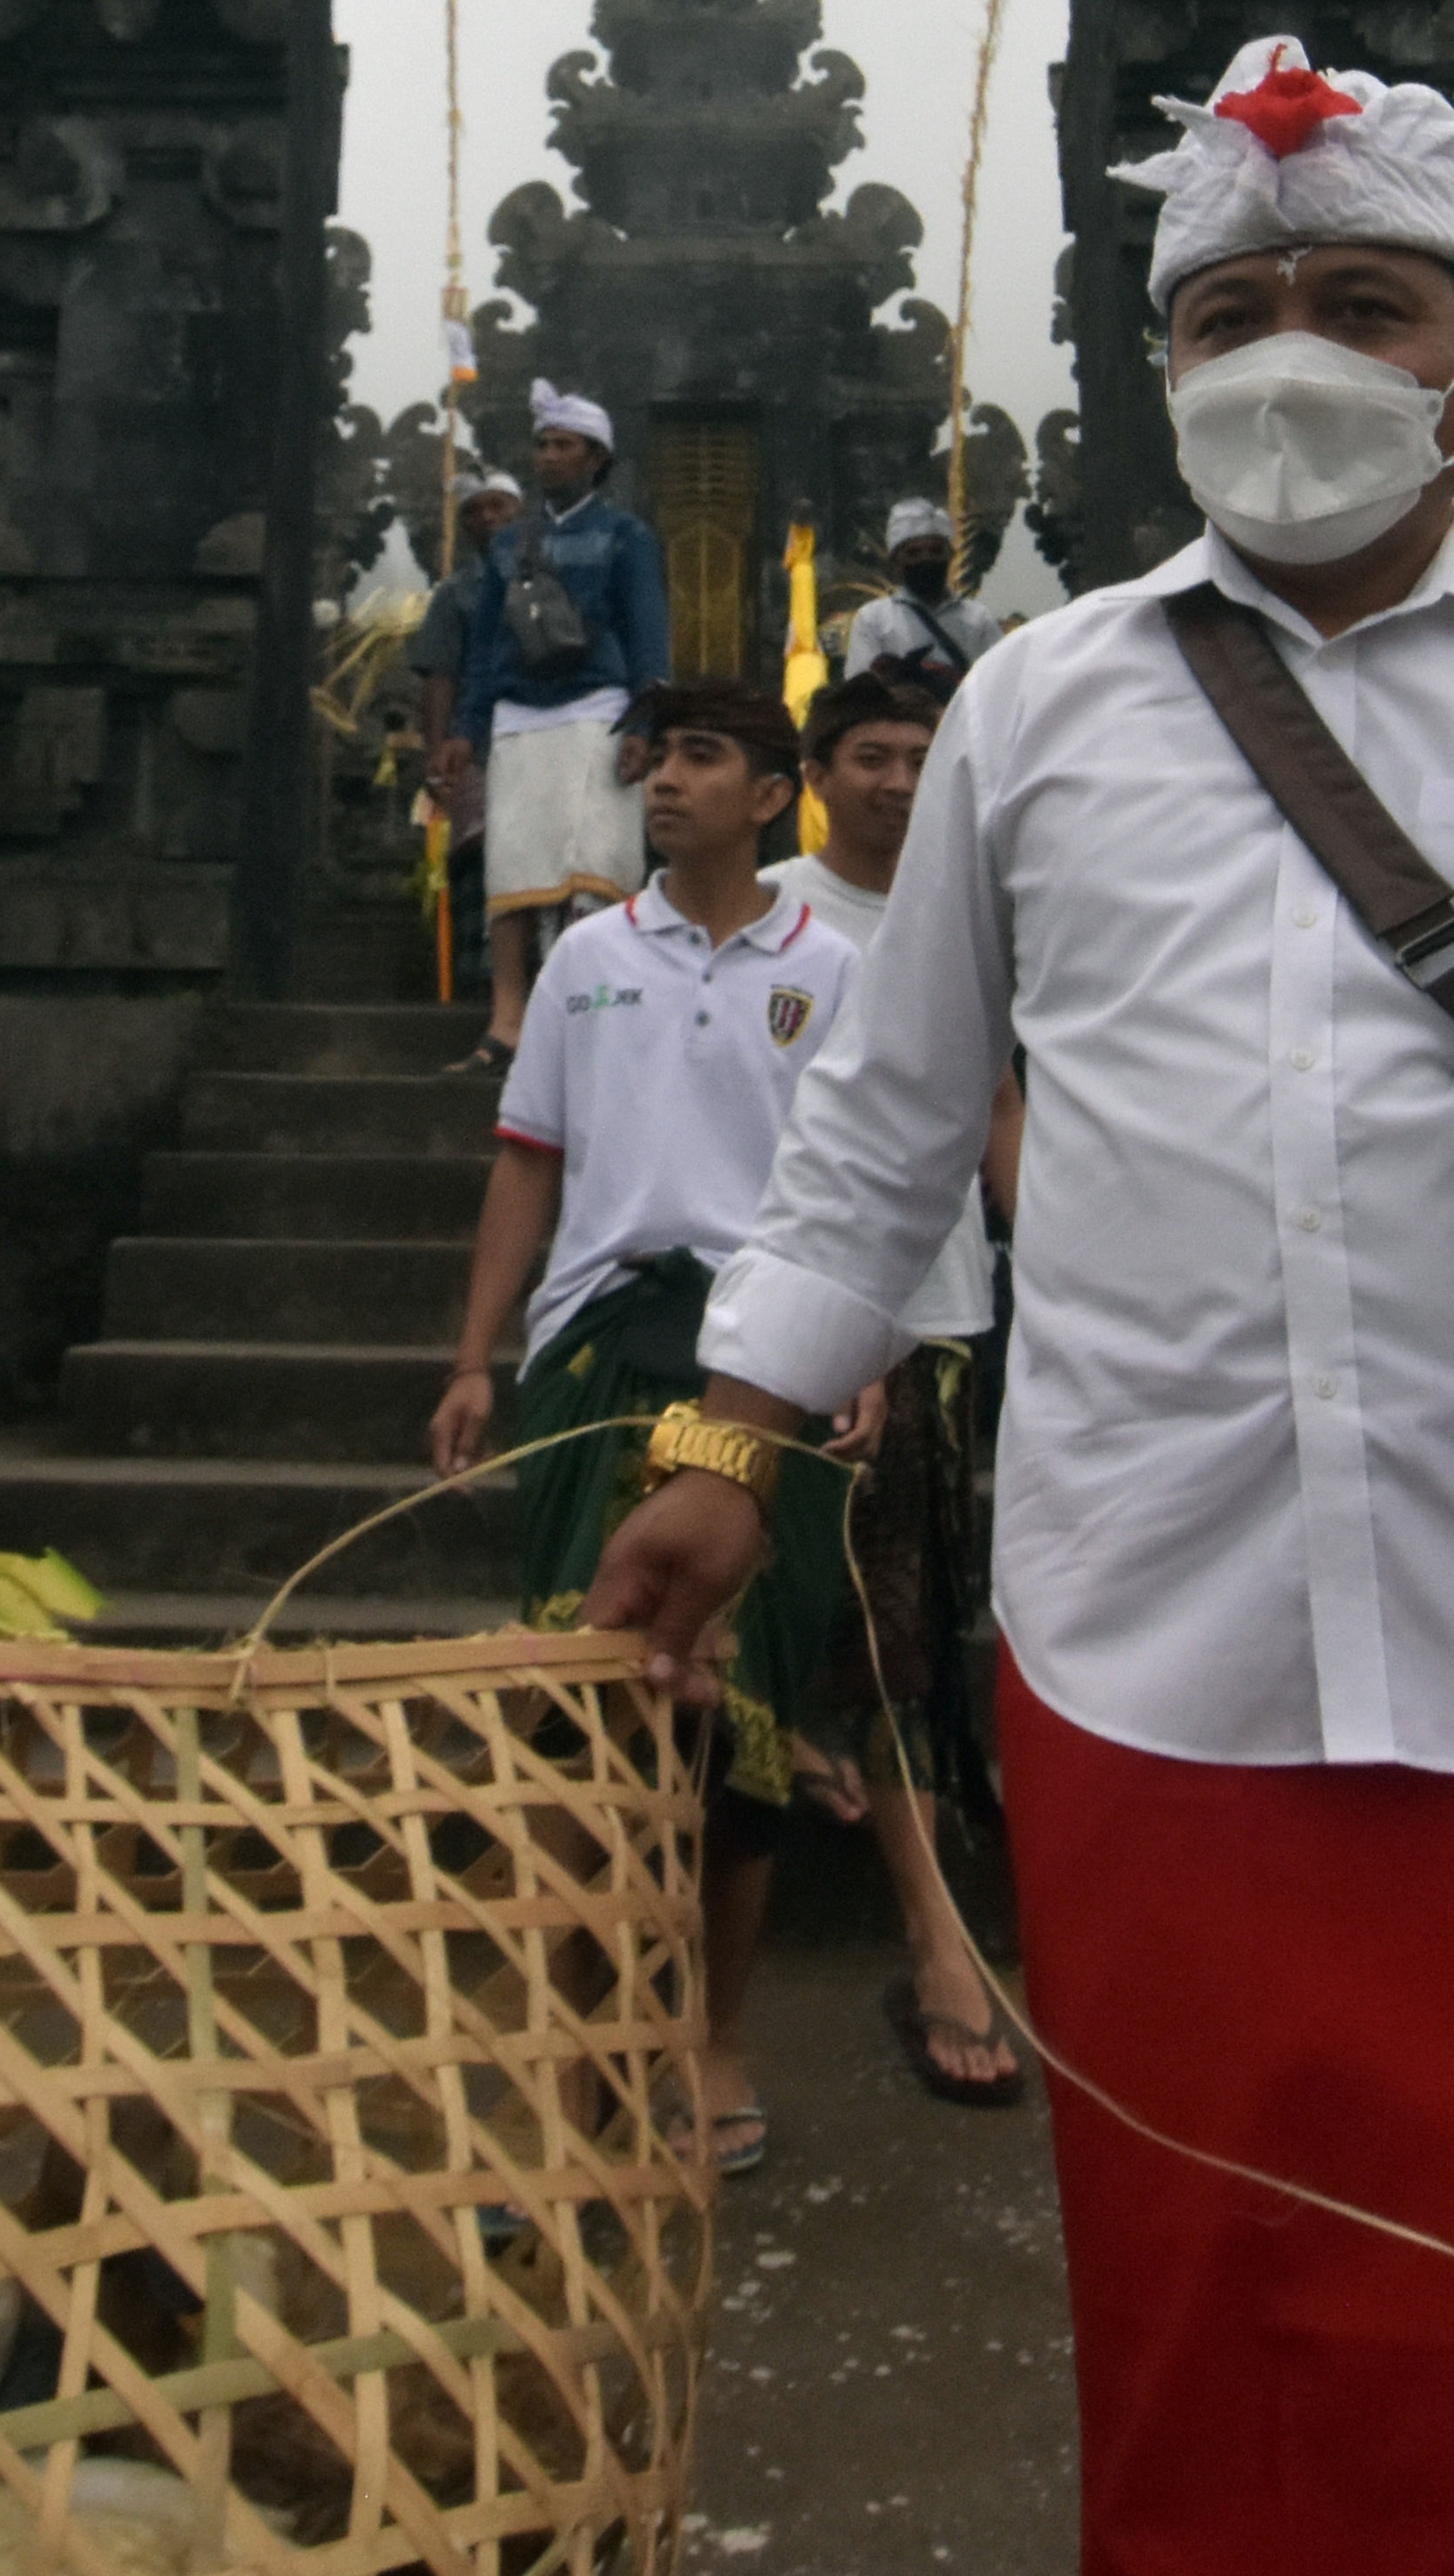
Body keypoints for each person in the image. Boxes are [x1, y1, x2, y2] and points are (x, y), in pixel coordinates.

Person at [587, 33, 1454, 2575]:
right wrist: (722, 1451)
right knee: (1220, 2339)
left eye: (1366, 301)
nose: (1291, 355)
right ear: (1155, 363)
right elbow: (882, 1140)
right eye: (1232, 305)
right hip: (1164, 1647)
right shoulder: (1033, 712)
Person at [428, 675, 861, 2183]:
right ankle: (573, 2045)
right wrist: (479, 1356)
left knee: (737, 1730)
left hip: (765, 1359)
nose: (662, 781)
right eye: (653, 758)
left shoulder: (838, 967)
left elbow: (869, 1182)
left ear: (770, 794)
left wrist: (862, 1344)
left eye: (701, 757)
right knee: (577, 1697)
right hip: (598, 1348)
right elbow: (527, 1165)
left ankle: (715, 2036)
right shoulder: (586, 959)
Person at [762, 668, 1026, 2111]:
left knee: (916, 1607)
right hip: (779, 1327)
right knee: (764, 1590)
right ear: (814, 770)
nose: (904, 782)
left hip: (936, 1314)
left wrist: (1049, 1242)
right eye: (873, 755)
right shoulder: (773, 920)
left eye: (929, 757)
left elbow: (999, 1104)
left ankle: (937, 1936)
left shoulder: (982, 910)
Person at [451, 386, 670, 1073]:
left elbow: (648, 638)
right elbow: (486, 644)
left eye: (563, 445)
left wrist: (645, 723)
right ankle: (508, 1021)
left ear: (596, 457)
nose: (549, 456)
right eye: (543, 445)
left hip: (597, 713)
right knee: (513, 873)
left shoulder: (626, 536)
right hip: (520, 717)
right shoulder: (512, 543)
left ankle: (588, 1012)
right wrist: (468, 727)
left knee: (596, 868)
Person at [409, 465, 525, 925]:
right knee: (482, 851)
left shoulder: (552, 575)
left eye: (498, 506)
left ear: (520, 513)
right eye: (474, 511)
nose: (487, 517)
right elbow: (442, 676)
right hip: (478, 743)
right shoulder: (456, 595)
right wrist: (438, 752)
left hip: (540, 734)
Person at [839, 496, 1016, 682]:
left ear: (950, 555)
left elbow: (999, 683)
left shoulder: (978, 619)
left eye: (936, 551)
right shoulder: (873, 620)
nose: (926, 559)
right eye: (913, 553)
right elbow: (859, 692)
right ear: (896, 562)